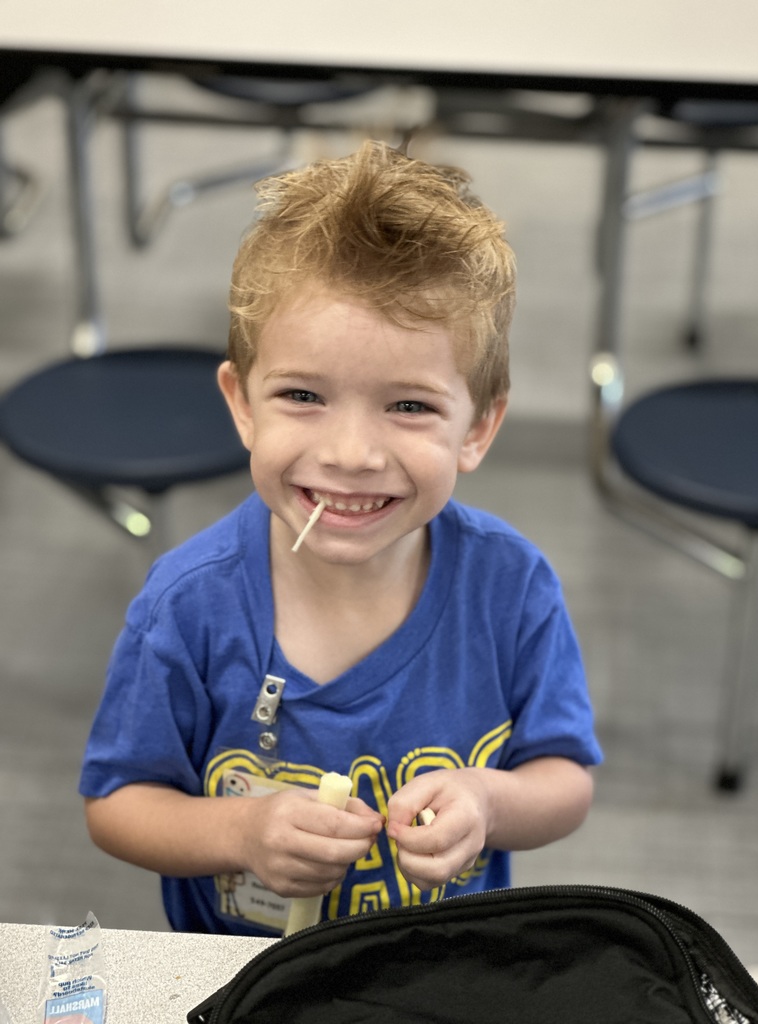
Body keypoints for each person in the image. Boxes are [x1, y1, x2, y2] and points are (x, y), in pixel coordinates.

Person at [79, 139, 602, 936]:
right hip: (247, 978)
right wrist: (241, 832)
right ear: (242, 404)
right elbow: (117, 804)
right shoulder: (186, 605)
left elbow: (565, 780)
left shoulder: (512, 588)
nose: (352, 454)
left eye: (409, 406)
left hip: (445, 968)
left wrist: (489, 802)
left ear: (478, 427)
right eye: (303, 395)